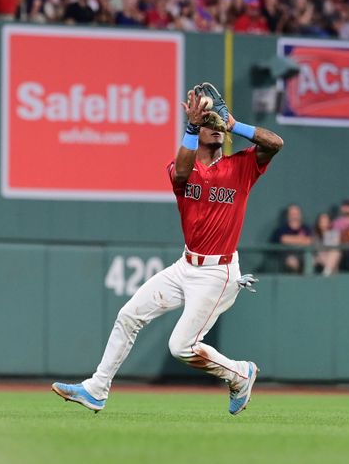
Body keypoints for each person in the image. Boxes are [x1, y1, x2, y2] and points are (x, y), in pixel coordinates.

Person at [52, 83, 283, 415]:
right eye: (207, 124)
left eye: (215, 123)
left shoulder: (242, 166)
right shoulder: (181, 168)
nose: (213, 128)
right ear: (194, 131)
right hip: (186, 265)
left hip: (218, 272)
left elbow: (276, 143)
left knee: (181, 347)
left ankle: (240, 373)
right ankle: (97, 389)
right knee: (129, 315)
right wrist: (192, 125)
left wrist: (233, 124)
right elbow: (184, 171)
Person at [271, 204, 313, 274]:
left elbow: (309, 241)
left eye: (296, 213)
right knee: (292, 261)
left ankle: (308, 281)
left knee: (310, 259)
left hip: (303, 255)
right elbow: (284, 239)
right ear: (288, 215)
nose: (295, 216)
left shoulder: (306, 228)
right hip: (286, 256)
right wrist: (301, 240)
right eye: (292, 214)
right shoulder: (282, 229)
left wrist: (292, 239)